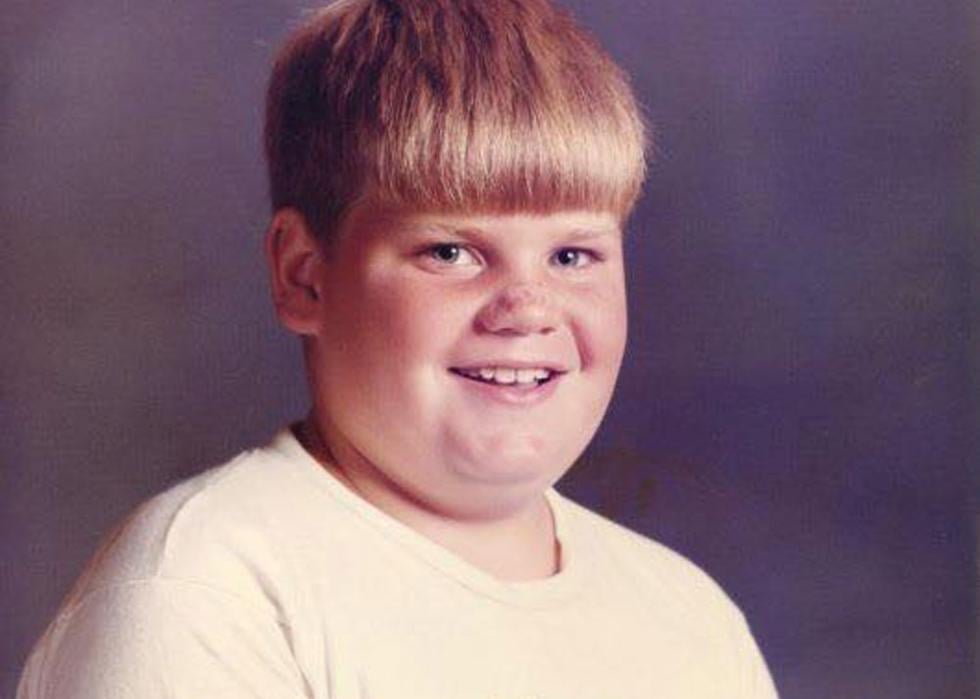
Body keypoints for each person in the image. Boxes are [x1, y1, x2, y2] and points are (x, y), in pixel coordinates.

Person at [17, 1, 779, 697]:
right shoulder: (203, 595)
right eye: (450, 252)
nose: (527, 308)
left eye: (572, 256)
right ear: (304, 277)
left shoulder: (690, 616)